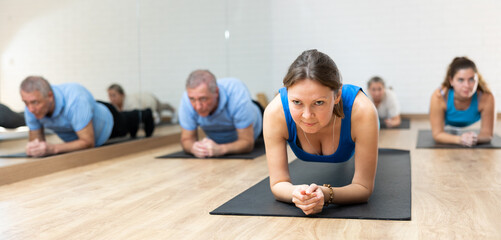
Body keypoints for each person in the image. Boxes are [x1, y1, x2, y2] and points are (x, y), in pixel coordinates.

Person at [263, 49, 378, 215]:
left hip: (362, 121)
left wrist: (325, 194)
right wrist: (299, 194)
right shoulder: (275, 113)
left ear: (337, 95)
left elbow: (363, 188)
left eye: (318, 102)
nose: (307, 116)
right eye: (296, 102)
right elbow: (278, 183)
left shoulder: (363, 111)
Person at [20, 76, 155, 157]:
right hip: (83, 118)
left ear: (49, 96)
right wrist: (34, 149)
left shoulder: (75, 100)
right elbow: (36, 143)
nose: (30, 109)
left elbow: (88, 143)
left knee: (127, 121)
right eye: (26, 103)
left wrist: (53, 148)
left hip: (107, 122)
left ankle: (145, 114)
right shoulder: (31, 107)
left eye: (35, 103)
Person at [178, 70, 263, 158]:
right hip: (221, 137)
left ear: (216, 92)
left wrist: (221, 149)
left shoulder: (236, 93)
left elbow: (247, 143)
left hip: (258, 125)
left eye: (203, 99)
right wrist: (193, 148)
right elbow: (187, 140)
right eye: (192, 99)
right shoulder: (186, 99)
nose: (198, 106)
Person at [429, 57, 495, 147]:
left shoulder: (487, 98)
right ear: (451, 81)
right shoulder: (439, 97)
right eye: (461, 80)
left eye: (471, 79)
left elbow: (487, 135)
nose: (467, 85)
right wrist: (460, 139)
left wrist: (473, 139)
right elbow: (437, 134)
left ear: (477, 79)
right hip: (449, 123)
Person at [107, 84, 175, 124]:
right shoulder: (115, 106)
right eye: (110, 95)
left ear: (122, 95)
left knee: (161, 107)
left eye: (114, 95)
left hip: (149, 99)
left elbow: (138, 116)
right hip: (144, 99)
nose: (111, 98)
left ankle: (173, 110)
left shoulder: (131, 102)